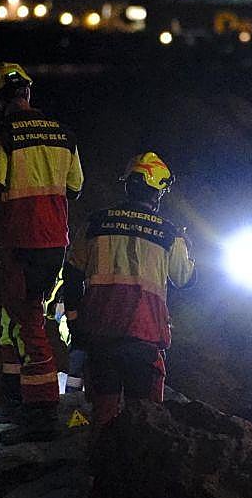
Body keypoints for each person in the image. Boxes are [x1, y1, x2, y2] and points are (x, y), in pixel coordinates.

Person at [0, 62, 84, 442]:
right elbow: (75, 187)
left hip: (20, 243)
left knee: (28, 325)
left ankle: (41, 413)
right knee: (12, 321)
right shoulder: (65, 136)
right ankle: (15, 401)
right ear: (28, 92)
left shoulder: (0, 139)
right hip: (54, 243)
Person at [60, 152, 196, 428]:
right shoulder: (169, 233)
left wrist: (74, 323)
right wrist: (188, 248)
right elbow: (185, 279)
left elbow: (71, 275)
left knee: (102, 417)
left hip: (99, 335)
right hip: (144, 337)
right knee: (145, 421)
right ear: (157, 192)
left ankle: (101, 466)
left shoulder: (95, 223)